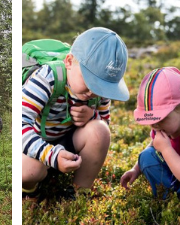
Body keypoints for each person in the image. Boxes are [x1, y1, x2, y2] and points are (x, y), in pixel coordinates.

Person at [21, 27, 129, 200]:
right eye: (90, 81)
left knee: (100, 131)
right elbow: (20, 125)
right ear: (69, 62)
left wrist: (92, 117)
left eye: (101, 86)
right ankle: (30, 191)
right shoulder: (47, 78)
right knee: (29, 171)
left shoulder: (99, 92)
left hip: (69, 141)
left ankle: (79, 193)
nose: (93, 92)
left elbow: (105, 126)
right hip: (36, 144)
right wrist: (52, 156)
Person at [120, 67, 180, 213]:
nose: (155, 125)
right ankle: (172, 203)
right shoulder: (163, 125)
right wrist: (136, 169)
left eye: (161, 118)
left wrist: (166, 149)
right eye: (151, 119)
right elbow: (153, 144)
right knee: (147, 156)